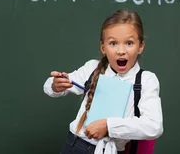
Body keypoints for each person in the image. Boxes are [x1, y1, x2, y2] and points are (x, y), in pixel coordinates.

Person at [43, 9, 163, 154]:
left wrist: (108, 126)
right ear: (103, 47)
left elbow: (154, 126)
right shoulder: (92, 68)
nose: (121, 51)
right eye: (113, 43)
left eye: (129, 43)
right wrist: (55, 86)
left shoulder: (147, 80)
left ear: (141, 46)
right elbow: (50, 86)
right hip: (75, 147)